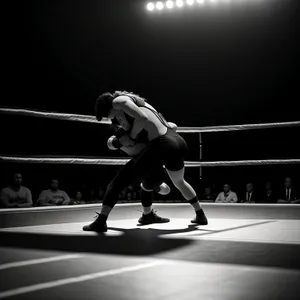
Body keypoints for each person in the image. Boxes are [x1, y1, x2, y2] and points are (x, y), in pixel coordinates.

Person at [83, 91, 208, 232]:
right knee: (179, 182)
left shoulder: (117, 102)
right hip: (177, 141)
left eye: (107, 115)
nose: (111, 119)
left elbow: (141, 118)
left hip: (162, 144)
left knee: (117, 183)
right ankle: (200, 215)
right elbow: (167, 124)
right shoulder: (138, 102)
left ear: (106, 108)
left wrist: (132, 136)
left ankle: (101, 221)